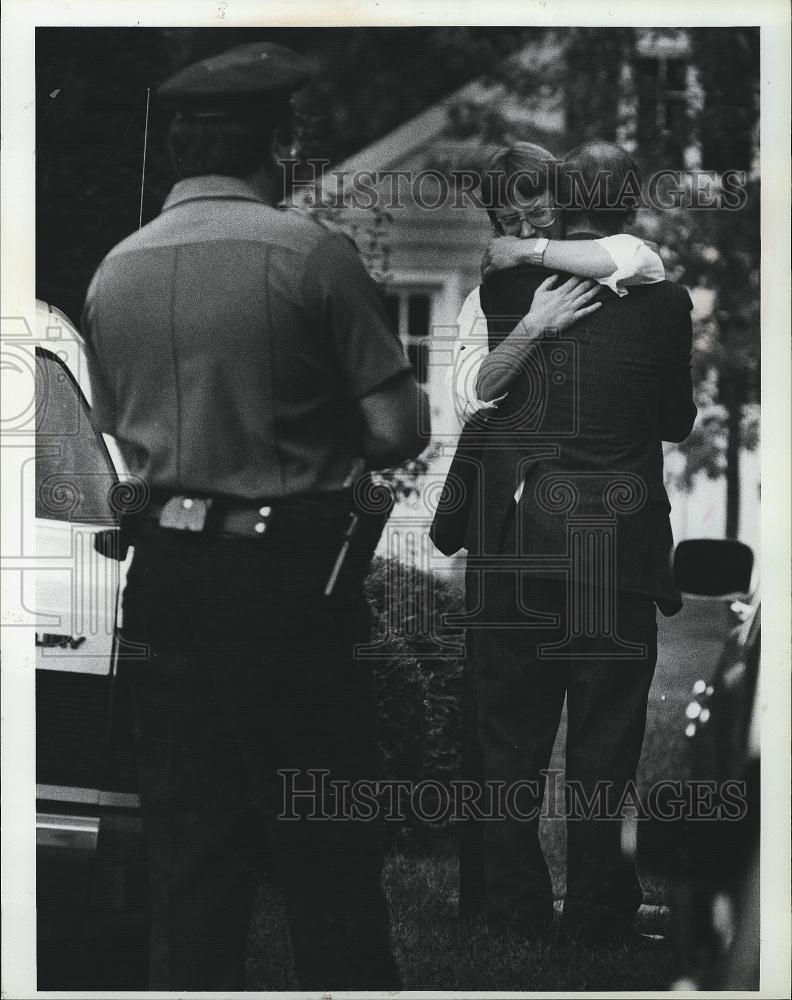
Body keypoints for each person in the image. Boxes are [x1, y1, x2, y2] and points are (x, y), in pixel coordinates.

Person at [80, 42, 429, 991]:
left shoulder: (115, 271)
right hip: (285, 586)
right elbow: (399, 429)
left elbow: (119, 426)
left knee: (188, 859)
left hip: (163, 583)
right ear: (277, 144)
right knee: (326, 847)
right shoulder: (312, 257)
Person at [434, 140, 696, 942]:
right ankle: (596, 914)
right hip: (615, 550)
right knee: (605, 745)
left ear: (560, 199)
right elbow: (676, 421)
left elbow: (479, 396)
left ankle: (513, 912)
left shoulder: (503, 284)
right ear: (629, 204)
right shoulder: (666, 298)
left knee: (508, 737)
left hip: (516, 541)